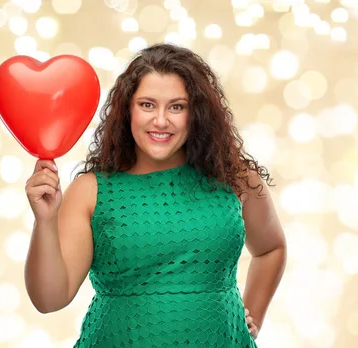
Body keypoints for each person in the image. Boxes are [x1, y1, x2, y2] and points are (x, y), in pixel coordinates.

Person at [23, 43, 287, 347]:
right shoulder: (91, 190)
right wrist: (44, 220)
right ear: (127, 110)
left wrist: (250, 318)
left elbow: (271, 249)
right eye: (147, 104)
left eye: (177, 106)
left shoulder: (235, 179)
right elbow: (50, 299)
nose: (161, 120)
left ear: (197, 113)